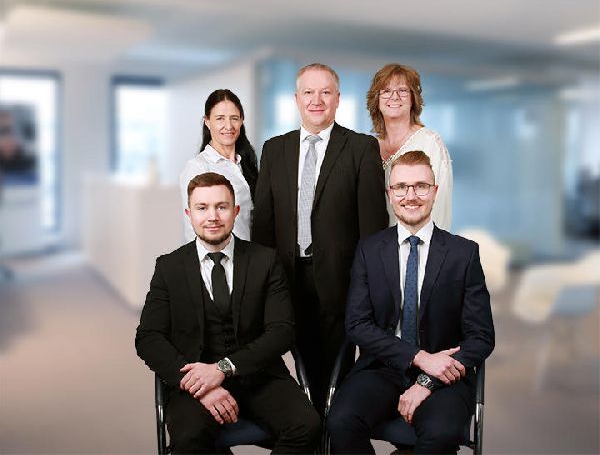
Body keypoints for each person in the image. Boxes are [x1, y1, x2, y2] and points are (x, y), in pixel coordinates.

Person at [136, 172, 320, 454]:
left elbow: (282, 331)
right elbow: (148, 337)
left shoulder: (265, 261)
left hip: (259, 377)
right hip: (196, 383)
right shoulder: (168, 267)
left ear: (235, 212)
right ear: (189, 214)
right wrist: (201, 384)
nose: (212, 217)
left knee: (307, 426)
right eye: (202, 208)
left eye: (221, 207)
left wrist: (222, 368)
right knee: (189, 438)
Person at [327, 150, 494, 454]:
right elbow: (358, 324)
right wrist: (418, 357)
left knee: (441, 433)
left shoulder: (464, 253)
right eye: (401, 187)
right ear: (390, 194)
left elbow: (481, 337)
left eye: (421, 186)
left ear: (435, 191)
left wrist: (428, 380)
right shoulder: (368, 250)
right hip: (382, 368)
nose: (411, 196)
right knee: (341, 422)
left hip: (444, 376)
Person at [252, 63, 388, 415]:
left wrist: (366, 287)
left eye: (325, 92)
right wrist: (263, 283)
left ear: (338, 99)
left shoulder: (360, 148)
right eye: (308, 92)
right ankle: (307, 434)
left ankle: (332, 435)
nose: (317, 100)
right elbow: (263, 224)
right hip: (285, 279)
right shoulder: (274, 149)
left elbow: (373, 228)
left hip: (340, 283)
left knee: (335, 379)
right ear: (296, 99)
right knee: (295, 375)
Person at [367, 64, 453, 230]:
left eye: (402, 91)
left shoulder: (430, 143)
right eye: (386, 91)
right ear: (376, 100)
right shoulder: (369, 147)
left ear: (413, 99)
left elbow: (439, 206)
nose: (394, 97)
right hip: (378, 242)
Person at [180, 89, 257, 241]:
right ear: (207, 122)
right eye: (220, 118)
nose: (228, 126)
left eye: (234, 118)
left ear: (242, 121)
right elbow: (193, 229)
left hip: (251, 253)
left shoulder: (246, 163)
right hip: (222, 254)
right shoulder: (198, 167)